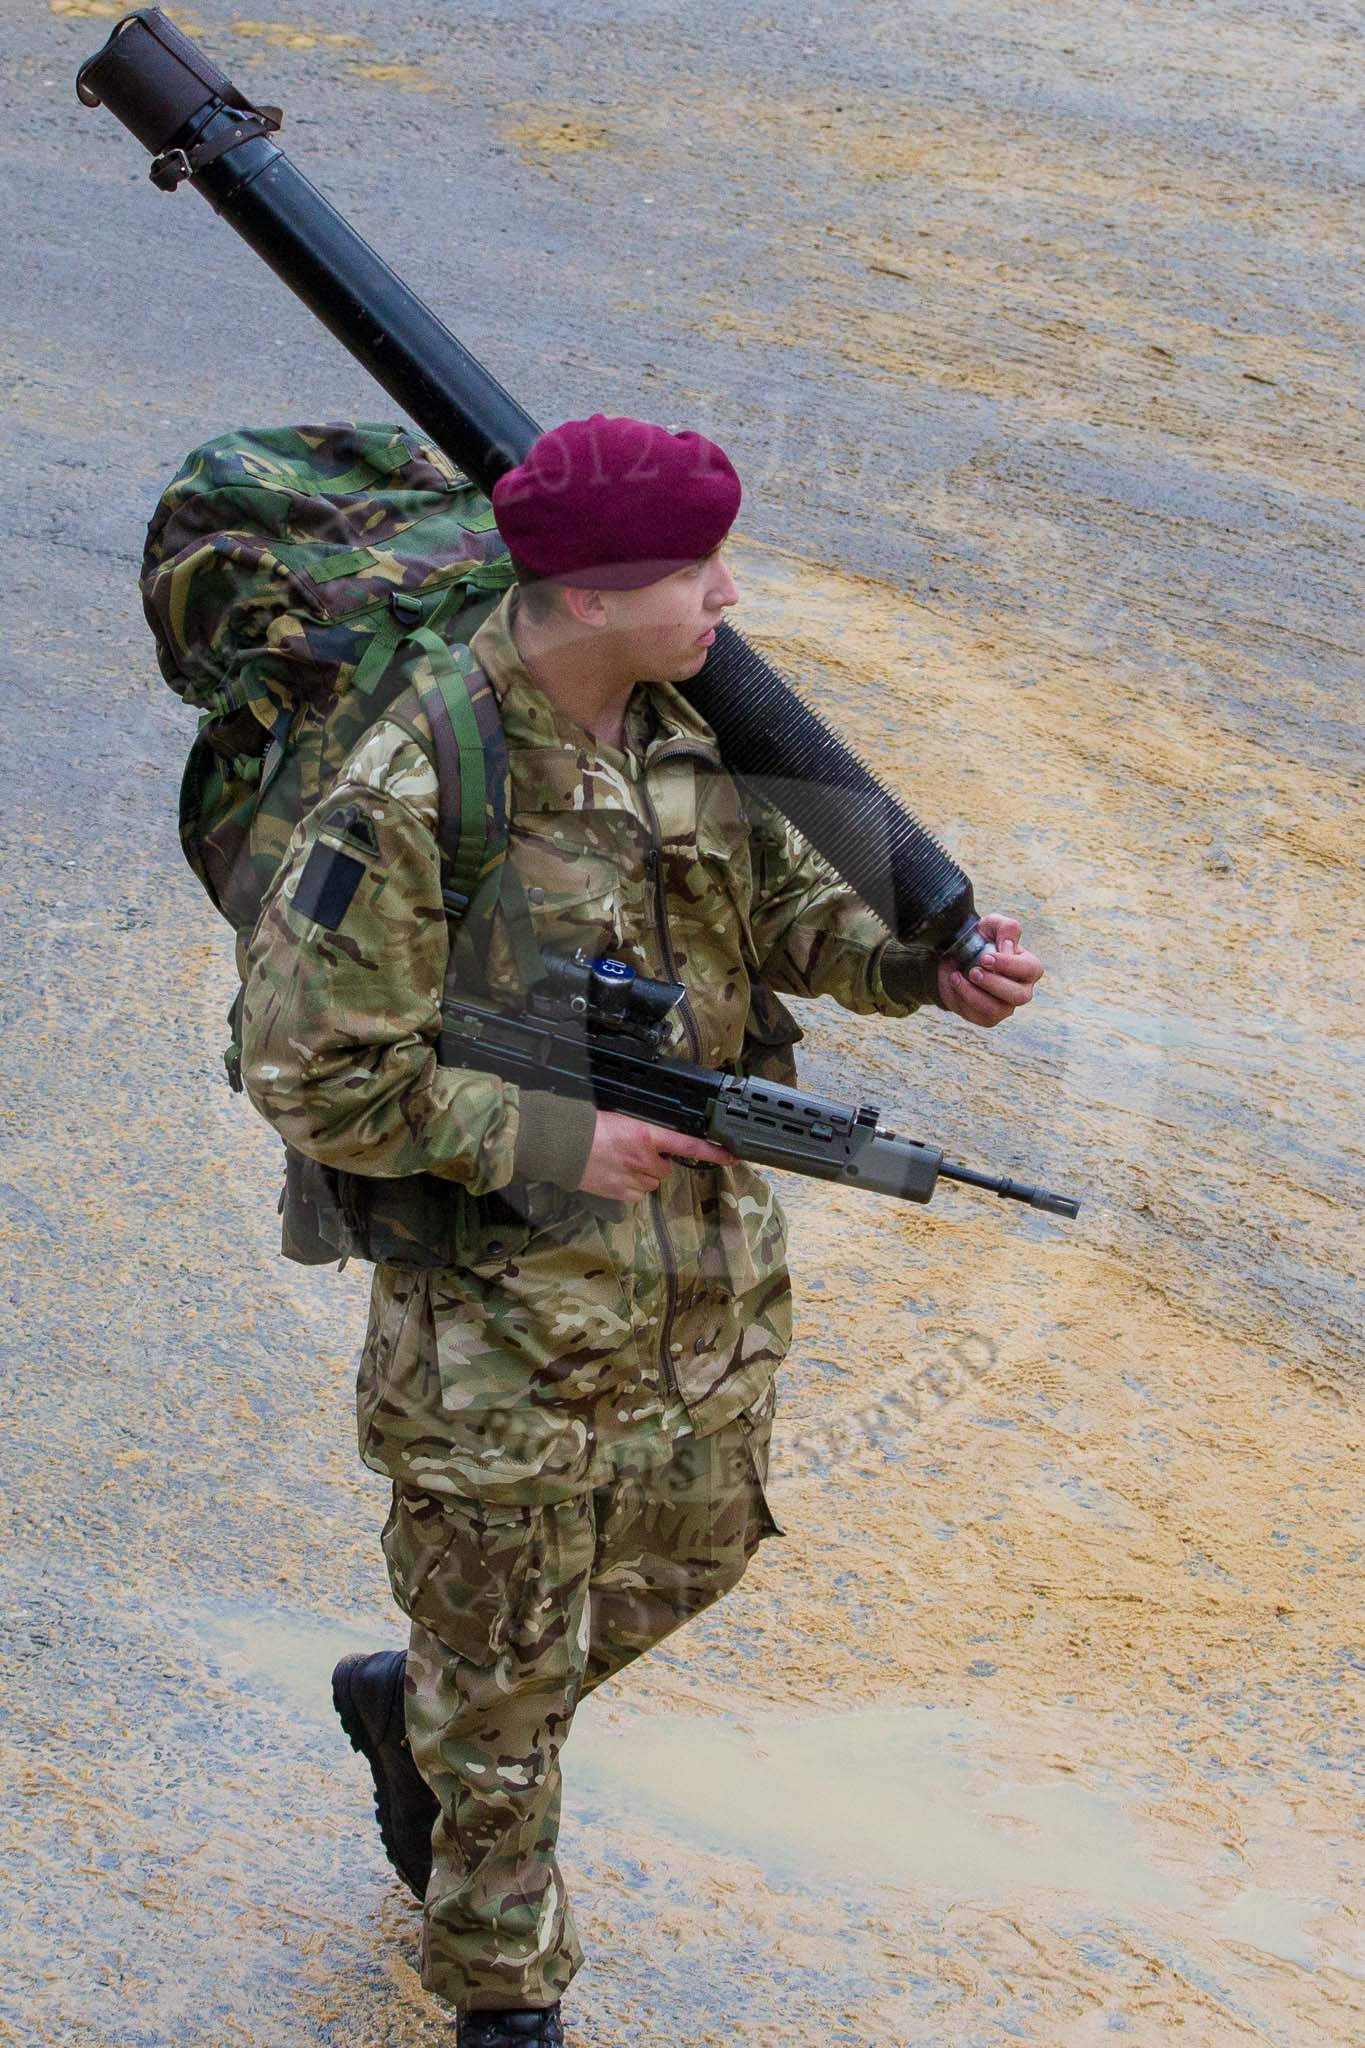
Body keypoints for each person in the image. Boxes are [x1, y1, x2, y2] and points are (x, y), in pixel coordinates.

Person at [239, 414, 1044, 2046]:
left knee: (698, 1548)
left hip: (696, 1283)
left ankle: (427, 1713)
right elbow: (307, 1070)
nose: (728, 596)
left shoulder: (686, 724)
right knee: (508, 1682)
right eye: (697, 571)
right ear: (592, 596)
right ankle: (502, 1990)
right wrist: (555, 1138)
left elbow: (781, 913)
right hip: (499, 1314)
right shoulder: (415, 784)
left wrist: (919, 967)